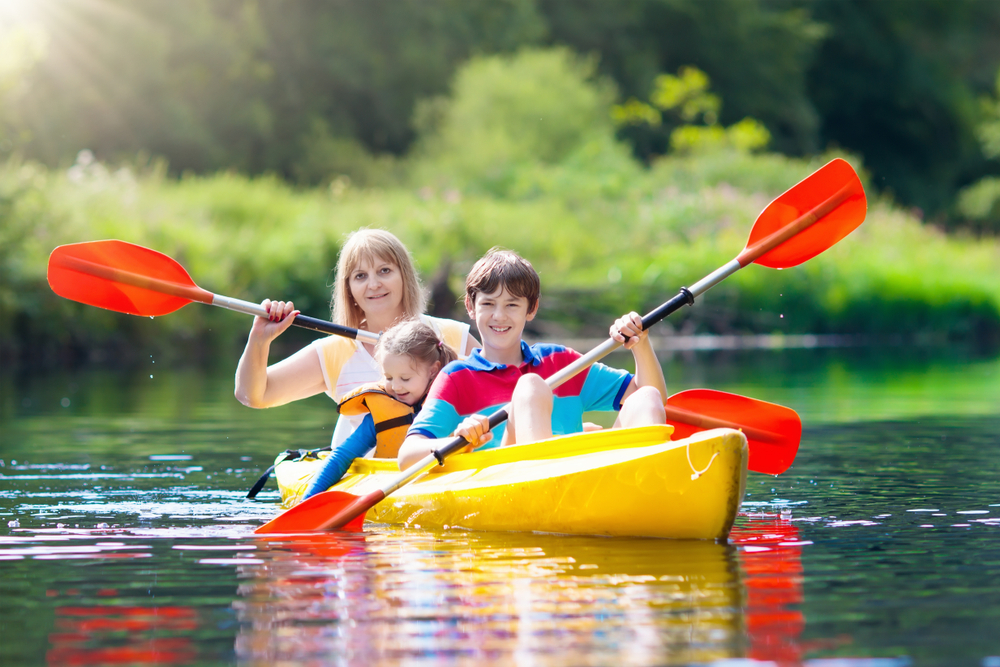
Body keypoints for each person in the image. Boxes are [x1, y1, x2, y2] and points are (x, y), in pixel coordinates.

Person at [397, 248, 667, 469]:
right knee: (530, 387)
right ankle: (547, 483)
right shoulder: (456, 377)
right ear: (470, 306)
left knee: (646, 398)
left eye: (512, 305)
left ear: (532, 308)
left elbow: (653, 399)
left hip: (581, 480)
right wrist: (457, 440)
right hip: (512, 484)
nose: (499, 316)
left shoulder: (560, 361)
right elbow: (407, 455)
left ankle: (646, 488)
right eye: (488, 304)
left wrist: (640, 343)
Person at [235, 229, 478, 447]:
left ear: (404, 276)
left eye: (384, 271)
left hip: (444, 466)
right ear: (349, 289)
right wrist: (259, 339)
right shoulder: (334, 352)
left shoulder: (451, 336)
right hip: (364, 478)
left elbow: (506, 384)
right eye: (360, 276)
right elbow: (253, 395)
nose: (373, 284)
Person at [301, 320, 458, 499]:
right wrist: (308, 499)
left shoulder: (453, 402)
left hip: (450, 481)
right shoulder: (380, 413)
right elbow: (343, 456)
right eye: (389, 377)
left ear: (433, 370)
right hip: (397, 490)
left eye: (405, 378)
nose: (396, 387)